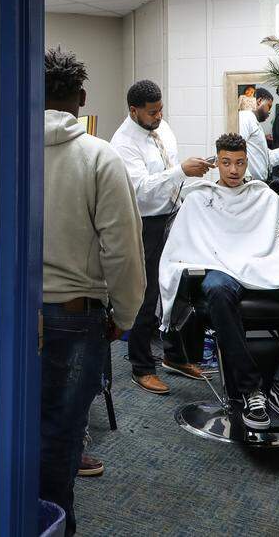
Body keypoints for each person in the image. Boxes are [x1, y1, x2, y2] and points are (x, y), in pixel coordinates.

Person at [42, 47, 144, 536]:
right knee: (60, 437)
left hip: (6, 316)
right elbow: (122, 251)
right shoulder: (99, 156)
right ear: (81, 99)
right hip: (73, 317)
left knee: (5, 430)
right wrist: (125, 316)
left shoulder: (0, 150)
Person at [158, 133, 279, 431]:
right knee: (217, 289)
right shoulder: (199, 198)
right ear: (216, 162)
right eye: (226, 162)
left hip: (267, 267)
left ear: (247, 162)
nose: (233, 170)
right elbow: (180, 249)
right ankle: (250, 388)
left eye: (240, 163)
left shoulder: (264, 196)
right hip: (223, 269)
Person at [109, 80, 211, 394]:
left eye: (160, 109)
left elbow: (168, 174)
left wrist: (190, 178)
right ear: (133, 111)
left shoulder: (162, 129)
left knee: (179, 288)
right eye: (152, 112)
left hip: (173, 215)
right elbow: (141, 188)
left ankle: (175, 356)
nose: (159, 116)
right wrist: (181, 171)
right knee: (147, 294)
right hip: (145, 224)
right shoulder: (123, 143)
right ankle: (141, 367)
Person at [239, 88, 279, 182]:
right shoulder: (245, 117)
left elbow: (269, 157)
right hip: (249, 184)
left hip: (257, 183)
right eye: (268, 106)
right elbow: (237, 150)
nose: (269, 112)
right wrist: (247, 178)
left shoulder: (254, 122)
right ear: (259, 101)